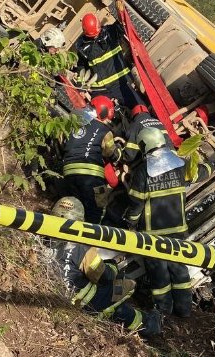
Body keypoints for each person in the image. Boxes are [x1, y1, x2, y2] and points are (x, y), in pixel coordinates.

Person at [49, 197, 161, 337]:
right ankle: (149, 325)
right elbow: (105, 276)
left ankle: (140, 321)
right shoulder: (80, 247)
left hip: (60, 298)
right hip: (87, 302)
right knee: (127, 282)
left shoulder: (45, 239)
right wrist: (112, 264)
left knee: (113, 307)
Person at [124, 127, 193, 318]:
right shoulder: (180, 164)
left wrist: (130, 222)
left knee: (159, 274)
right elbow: (199, 173)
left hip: (153, 235)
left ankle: (163, 312)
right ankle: (185, 310)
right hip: (178, 230)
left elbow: (136, 203)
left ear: (144, 145)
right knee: (179, 270)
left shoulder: (143, 171)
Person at [60, 95, 122, 223]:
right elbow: (110, 152)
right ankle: (92, 233)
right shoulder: (104, 130)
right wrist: (118, 152)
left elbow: (62, 142)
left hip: (68, 172)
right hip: (92, 175)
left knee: (72, 208)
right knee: (98, 208)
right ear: (104, 113)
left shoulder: (73, 122)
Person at [73, 12, 143, 108]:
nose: (95, 37)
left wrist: (121, 12)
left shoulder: (110, 32)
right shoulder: (82, 46)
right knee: (99, 114)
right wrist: (80, 87)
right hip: (101, 91)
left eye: (97, 34)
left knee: (139, 109)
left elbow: (124, 25)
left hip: (122, 83)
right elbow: (81, 67)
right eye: (92, 36)